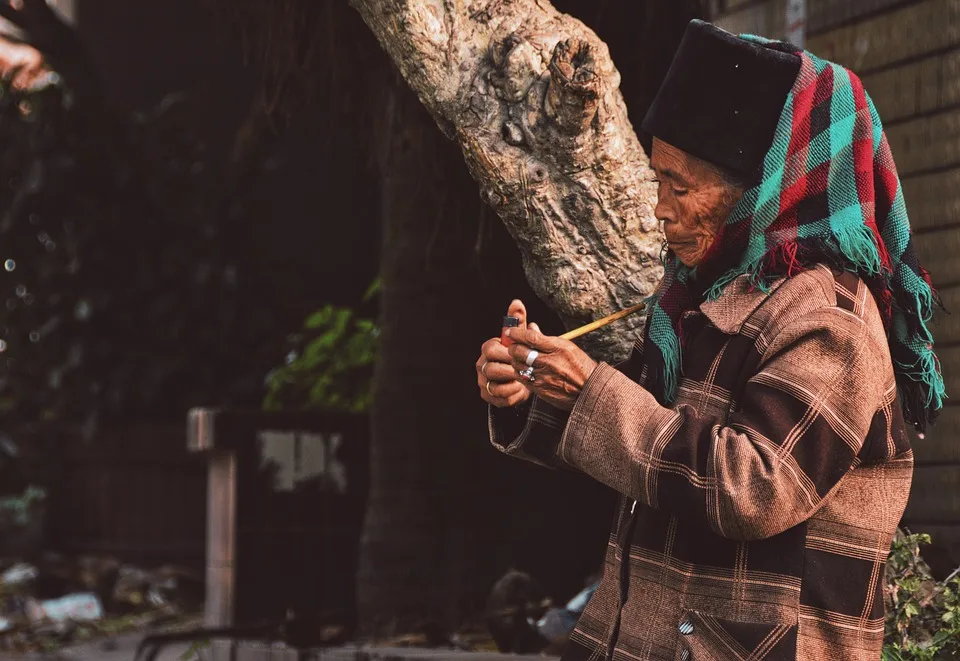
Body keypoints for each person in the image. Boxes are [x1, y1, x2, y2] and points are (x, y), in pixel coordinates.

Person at [475, 19, 945, 661]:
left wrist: (588, 390)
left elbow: (754, 487)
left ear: (761, 190)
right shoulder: (704, 296)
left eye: (681, 186)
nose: (659, 209)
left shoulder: (830, 319)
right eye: (656, 179)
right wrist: (533, 391)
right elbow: (647, 447)